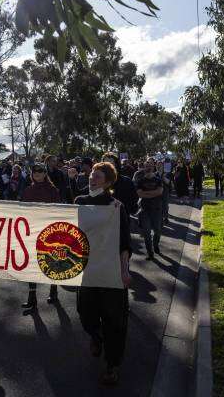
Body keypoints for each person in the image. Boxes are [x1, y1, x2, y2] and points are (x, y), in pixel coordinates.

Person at [75, 162, 132, 386]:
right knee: (85, 313)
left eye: (97, 177)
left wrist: (124, 271)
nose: (92, 179)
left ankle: (112, 366)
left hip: (110, 270)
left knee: (114, 321)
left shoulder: (116, 207)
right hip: (86, 269)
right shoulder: (79, 202)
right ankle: (96, 336)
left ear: (108, 182)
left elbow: (124, 243)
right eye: (91, 175)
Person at [20, 163, 60, 312]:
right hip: (32, 230)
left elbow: (57, 211)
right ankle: (32, 298)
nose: (37, 173)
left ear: (45, 173)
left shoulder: (53, 190)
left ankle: (53, 290)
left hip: (49, 232)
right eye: (34, 171)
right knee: (32, 264)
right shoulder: (27, 190)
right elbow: (22, 211)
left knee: (51, 262)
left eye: (40, 170)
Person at [135, 158, 163, 259]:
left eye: (150, 166)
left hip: (157, 209)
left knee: (158, 231)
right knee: (146, 233)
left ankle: (155, 245)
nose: (148, 168)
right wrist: (153, 193)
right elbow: (139, 194)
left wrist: (146, 194)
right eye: (146, 166)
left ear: (153, 167)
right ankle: (150, 253)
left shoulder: (158, 180)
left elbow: (160, 192)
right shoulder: (140, 181)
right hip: (144, 210)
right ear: (144, 168)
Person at [102, 153, 139, 219]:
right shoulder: (97, 182)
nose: (108, 166)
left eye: (111, 163)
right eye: (106, 164)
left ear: (116, 165)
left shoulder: (126, 181)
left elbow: (134, 200)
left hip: (122, 220)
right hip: (103, 221)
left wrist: (124, 210)